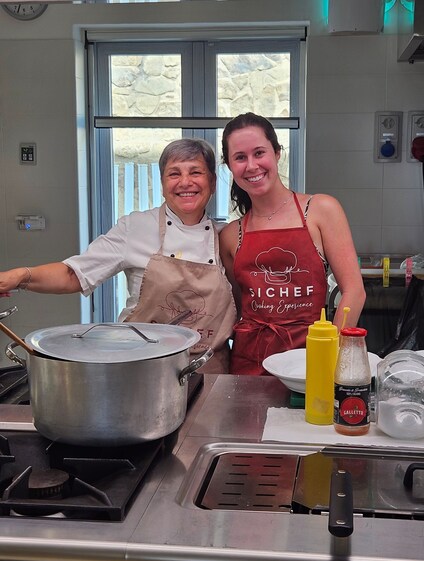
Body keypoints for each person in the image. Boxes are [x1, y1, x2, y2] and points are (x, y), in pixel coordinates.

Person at [0, 138, 237, 373]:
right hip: (141, 369)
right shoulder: (135, 227)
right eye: (174, 174)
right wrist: (21, 276)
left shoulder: (227, 237)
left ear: (213, 182)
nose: (185, 182)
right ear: (163, 184)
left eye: (196, 172)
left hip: (209, 371)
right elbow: (74, 274)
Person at [219, 112, 366, 375]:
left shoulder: (320, 210)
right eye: (240, 157)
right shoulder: (231, 235)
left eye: (259, 153)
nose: (251, 165)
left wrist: (331, 353)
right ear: (229, 165)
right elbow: (241, 306)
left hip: (309, 358)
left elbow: (354, 290)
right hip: (249, 363)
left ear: (277, 153)